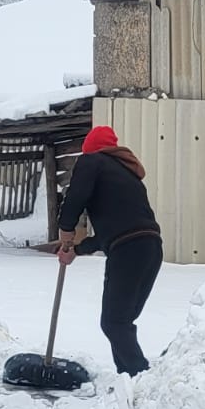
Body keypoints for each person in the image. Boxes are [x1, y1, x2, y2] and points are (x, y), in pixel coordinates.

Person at [56, 124, 163, 376]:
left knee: (114, 323)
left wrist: (65, 229)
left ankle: (139, 377)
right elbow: (110, 233)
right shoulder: (128, 176)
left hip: (127, 250)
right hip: (151, 248)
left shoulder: (91, 161)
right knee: (121, 322)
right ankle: (126, 378)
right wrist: (77, 250)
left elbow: (76, 196)